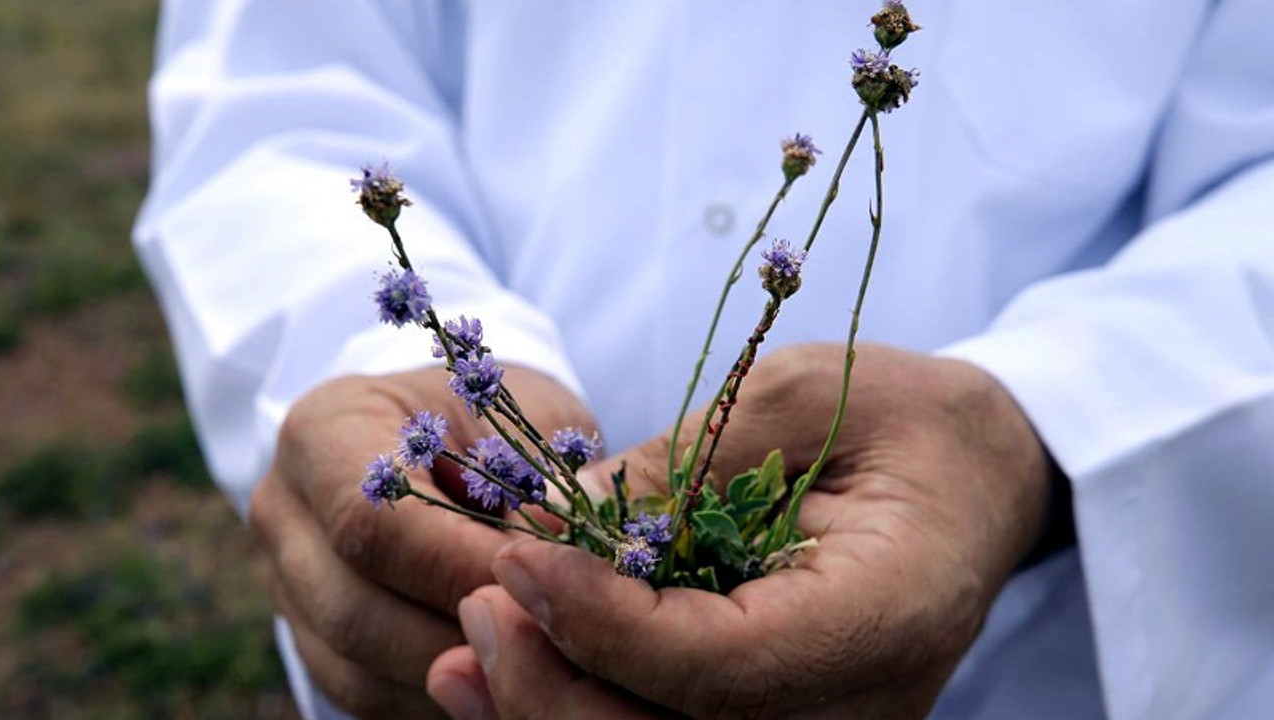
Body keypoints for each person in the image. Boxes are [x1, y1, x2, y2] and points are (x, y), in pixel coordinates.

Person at [134, 1, 1274, 718]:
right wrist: (343, 345)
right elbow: (282, 92)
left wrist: (1047, 424)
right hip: (476, 638)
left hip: (1029, 659)